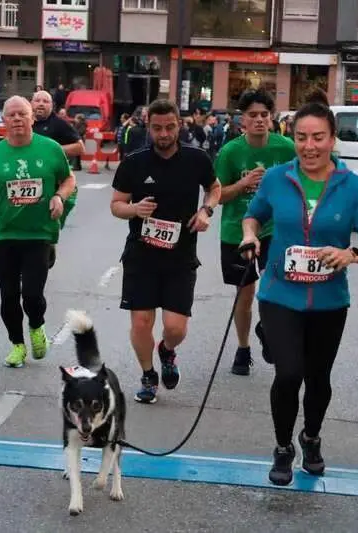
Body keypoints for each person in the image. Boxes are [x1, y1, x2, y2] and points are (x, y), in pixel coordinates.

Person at [240, 101, 358, 486]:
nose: (309, 146)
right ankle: (283, 447)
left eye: (318, 137)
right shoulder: (276, 178)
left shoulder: (353, 186)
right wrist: (251, 234)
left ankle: (311, 437)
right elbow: (253, 214)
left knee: (318, 378)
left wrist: (351, 254)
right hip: (279, 294)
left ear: (332, 139)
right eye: (302, 137)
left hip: (328, 301)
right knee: (289, 373)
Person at [110, 98, 221, 405]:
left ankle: (167, 351)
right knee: (141, 322)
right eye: (157, 128)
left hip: (180, 257)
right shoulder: (134, 162)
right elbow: (116, 205)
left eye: (169, 127)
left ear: (179, 125)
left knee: (175, 327)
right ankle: (148, 375)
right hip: (141, 256)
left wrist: (206, 211)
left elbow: (215, 187)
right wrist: (133, 209)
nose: (163, 134)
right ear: (149, 127)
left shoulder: (197, 159)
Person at [0, 96, 76, 368]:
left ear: (32, 118)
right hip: (4, 234)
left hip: (38, 233)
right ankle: (17, 345)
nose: (17, 119)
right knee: (8, 295)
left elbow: (68, 179)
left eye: (22, 114)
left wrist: (60, 197)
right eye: (11, 115)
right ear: (3, 121)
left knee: (31, 294)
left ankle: (37, 326)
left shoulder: (51, 149)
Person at [214, 88, 296, 375]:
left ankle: (268, 327)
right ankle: (243, 347)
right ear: (242, 121)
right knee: (245, 294)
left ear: (271, 118)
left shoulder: (286, 147)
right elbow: (217, 194)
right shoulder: (230, 152)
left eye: (264, 115)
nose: (259, 120)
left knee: (278, 286)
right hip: (238, 230)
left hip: (275, 228)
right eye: (253, 115)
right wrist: (243, 184)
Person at [30, 90, 83, 267]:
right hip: (27, 179)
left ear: (51, 106)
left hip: (55, 181)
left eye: (45, 101)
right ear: (31, 103)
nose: (41, 104)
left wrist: (54, 150)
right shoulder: (25, 123)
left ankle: (49, 242)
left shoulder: (59, 124)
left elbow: (79, 147)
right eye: (37, 100)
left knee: (53, 214)